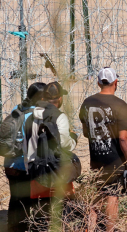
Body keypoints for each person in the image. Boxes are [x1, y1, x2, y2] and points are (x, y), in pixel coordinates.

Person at [79, 67, 127, 232]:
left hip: (96, 157)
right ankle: (110, 229)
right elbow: (123, 137)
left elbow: (85, 132)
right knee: (112, 197)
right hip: (114, 159)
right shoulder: (120, 104)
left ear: (98, 82)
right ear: (116, 82)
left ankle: (91, 227)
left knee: (97, 195)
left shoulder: (87, 102)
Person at [24, 81, 77, 231]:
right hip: (58, 173)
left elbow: (27, 148)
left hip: (38, 174)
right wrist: (74, 139)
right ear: (60, 99)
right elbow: (65, 145)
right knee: (61, 218)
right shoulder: (60, 117)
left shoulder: (31, 118)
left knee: (41, 218)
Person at [4, 82, 45, 232]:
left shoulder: (17, 109)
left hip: (10, 163)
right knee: (26, 203)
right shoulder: (39, 114)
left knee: (15, 200)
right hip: (26, 166)